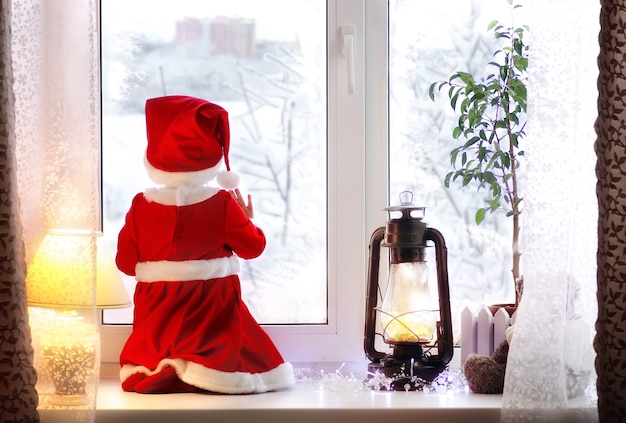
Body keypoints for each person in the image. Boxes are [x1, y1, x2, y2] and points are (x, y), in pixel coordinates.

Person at [115, 95, 295, 394]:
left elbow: (124, 263)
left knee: (153, 343)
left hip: (158, 311)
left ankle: (160, 364)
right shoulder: (222, 203)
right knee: (235, 344)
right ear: (211, 157)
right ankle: (201, 368)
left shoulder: (141, 205)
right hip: (211, 307)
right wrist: (248, 220)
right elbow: (252, 248)